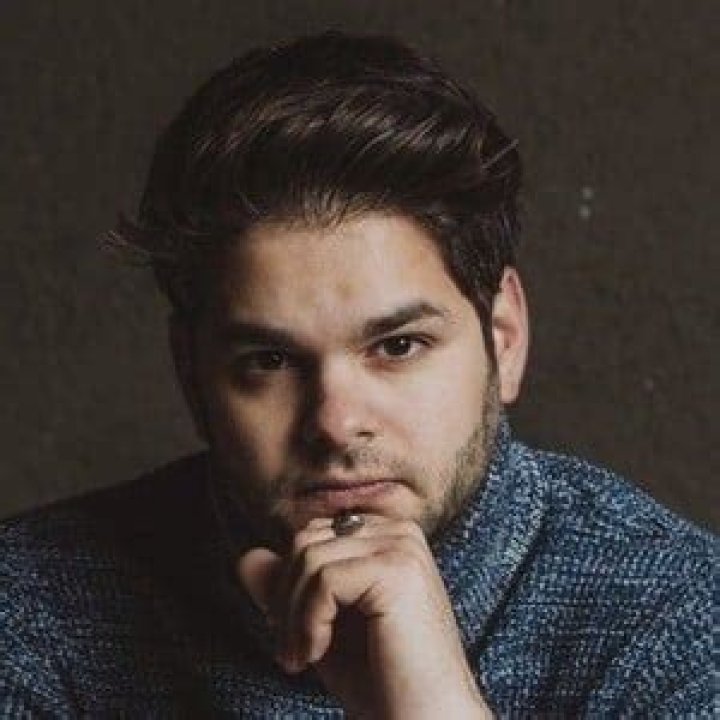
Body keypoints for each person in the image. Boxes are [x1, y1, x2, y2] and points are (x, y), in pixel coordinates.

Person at [1, 32, 715, 718]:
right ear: (190, 375)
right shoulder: (33, 614)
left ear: (504, 338)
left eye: (398, 346)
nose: (336, 423)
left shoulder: (674, 622)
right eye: (269, 361)